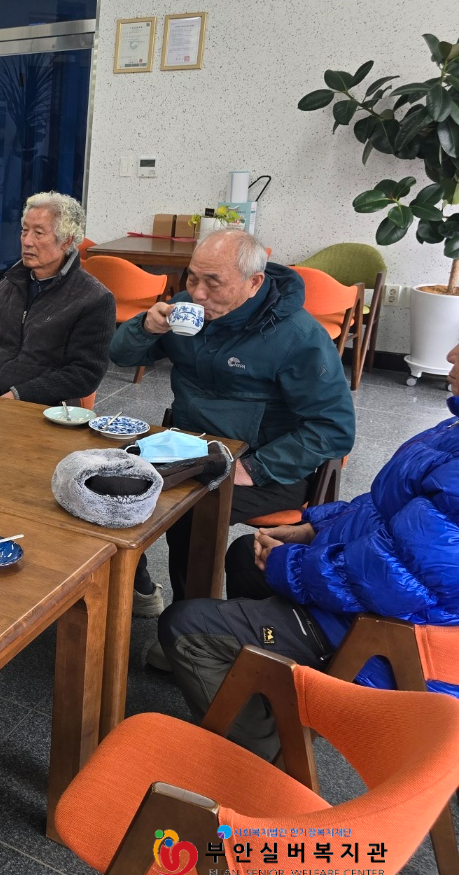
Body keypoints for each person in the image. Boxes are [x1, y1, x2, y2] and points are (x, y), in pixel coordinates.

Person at [157, 342, 459, 759]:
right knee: (246, 553)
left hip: (391, 632)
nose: (451, 355)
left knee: (185, 628)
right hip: (385, 599)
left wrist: (291, 565)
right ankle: (270, 685)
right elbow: (382, 508)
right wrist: (313, 528)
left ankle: (264, 760)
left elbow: (398, 580)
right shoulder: (451, 430)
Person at [110, 230, 355, 616]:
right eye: (192, 277)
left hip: (269, 467)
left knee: (191, 509)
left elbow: (335, 428)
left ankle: (193, 620)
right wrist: (145, 327)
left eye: (213, 282)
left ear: (254, 282)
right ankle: (138, 589)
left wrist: (253, 468)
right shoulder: (187, 308)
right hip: (190, 447)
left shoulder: (298, 336)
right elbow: (121, 356)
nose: (198, 293)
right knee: (109, 481)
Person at [0, 192, 114, 405]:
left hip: (44, 406)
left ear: (67, 241)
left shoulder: (93, 299)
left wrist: (18, 395)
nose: (27, 241)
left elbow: (85, 374)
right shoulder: (9, 285)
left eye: (38, 233)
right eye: (24, 231)